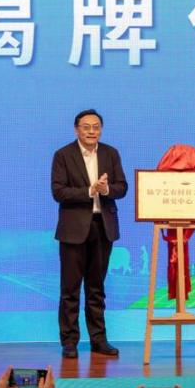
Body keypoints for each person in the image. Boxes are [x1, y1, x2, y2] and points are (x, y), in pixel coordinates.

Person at [50, 109, 128, 358]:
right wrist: (88, 190)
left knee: (96, 288)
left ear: (101, 130)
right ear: (77, 130)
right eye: (86, 127)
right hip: (73, 230)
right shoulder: (63, 155)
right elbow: (59, 192)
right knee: (70, 290)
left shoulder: (110, 153)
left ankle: (99, 340)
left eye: (96, 127)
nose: (91, 131)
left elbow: (122, 187)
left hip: (102, 227)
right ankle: (69, 341)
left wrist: (105, 190)